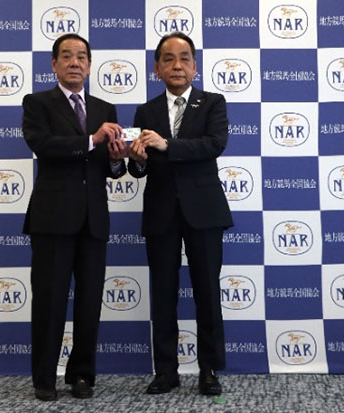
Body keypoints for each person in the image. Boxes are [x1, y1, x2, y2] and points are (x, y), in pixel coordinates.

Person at [21, 33, 128, 401]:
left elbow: (111, 169)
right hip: (52, 219)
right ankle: (44, 378)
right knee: (49, 300)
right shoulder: (37, 103)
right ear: (54, 64)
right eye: (66, 56)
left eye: (81, 56)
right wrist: (92, 140)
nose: (74, 62)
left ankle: (82, 375)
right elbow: (43, 146)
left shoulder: (105, 108)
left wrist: (116, 157)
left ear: (90, 65)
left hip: (93, 219)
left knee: (89, 302)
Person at [128, 32, 233, 396]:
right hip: (161, 212)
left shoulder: (213, 103)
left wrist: (166, 144)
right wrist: (137, 160)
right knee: (163, 293)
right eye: (168, 59)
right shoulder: (145, 112)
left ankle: (209, 370)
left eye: (184, 58)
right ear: (157, 68)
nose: (177, 65)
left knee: (207, 292)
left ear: (194, 66)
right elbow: (139, 169)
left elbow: (213, 145)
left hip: (204, 211)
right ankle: (165, 372)